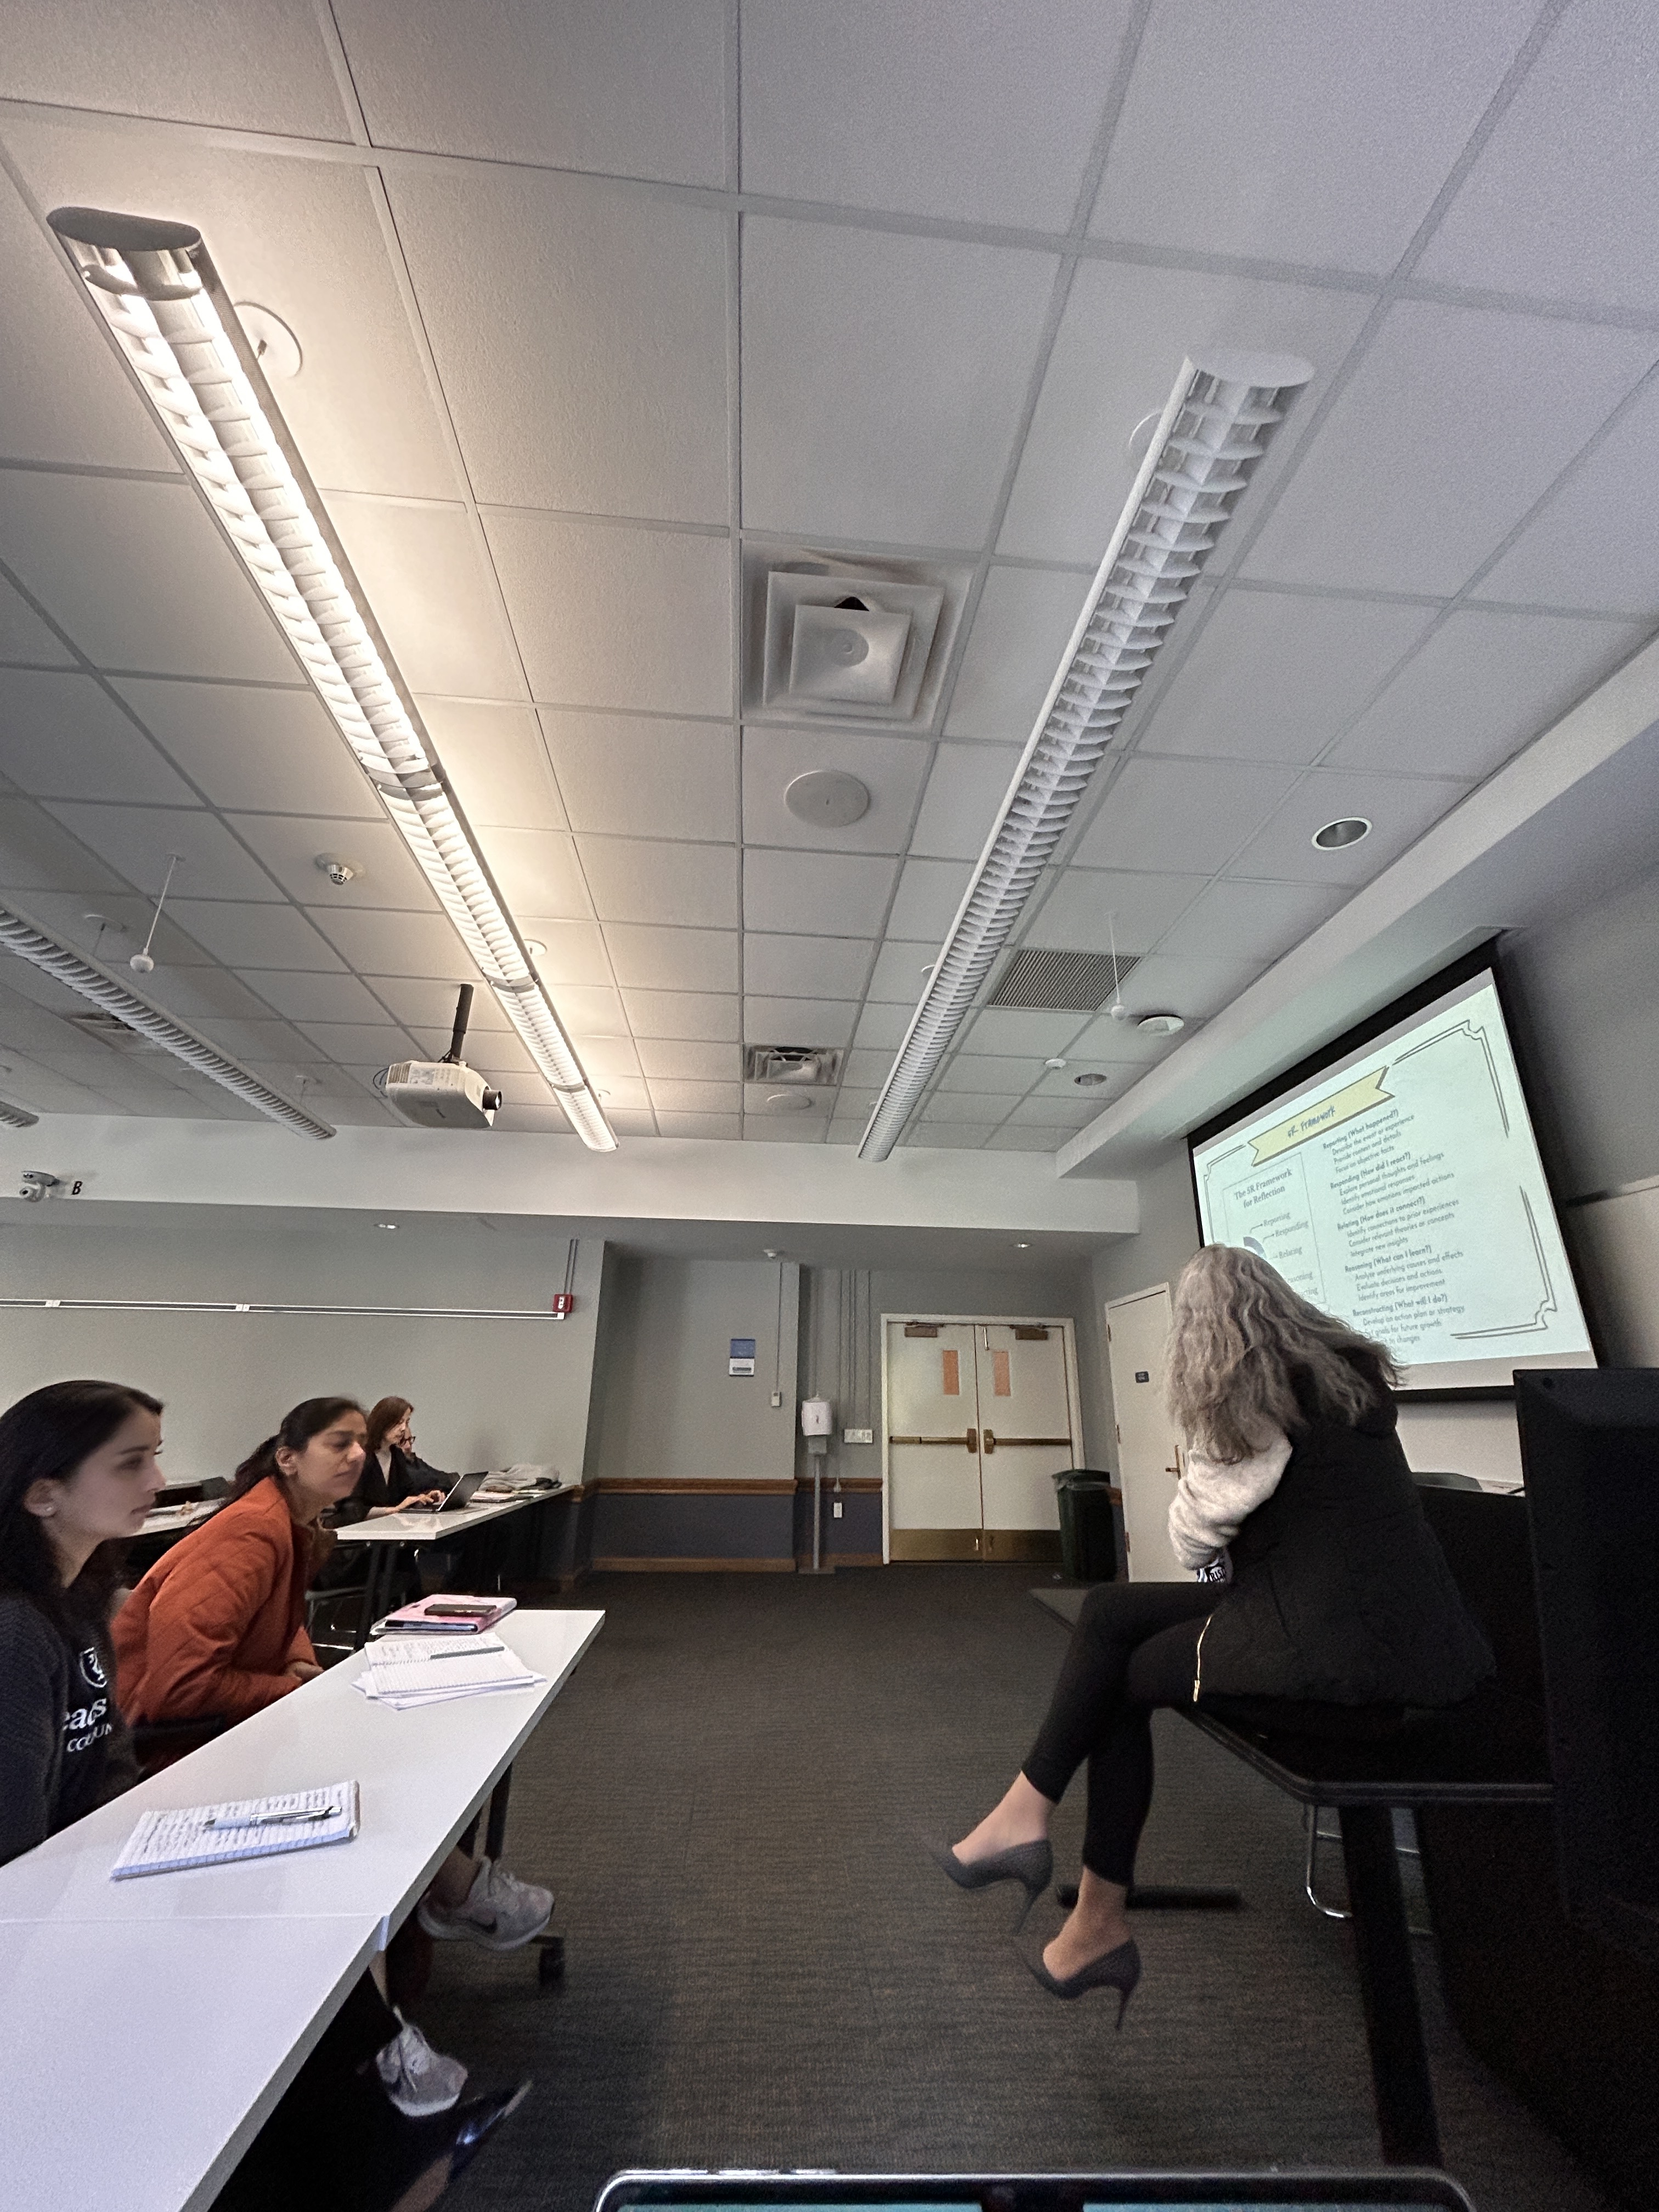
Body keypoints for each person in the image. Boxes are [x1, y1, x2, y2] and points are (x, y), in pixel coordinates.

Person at [930, 1245, 1495, 2020]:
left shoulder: (1260, 1395)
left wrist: (1199, 1443)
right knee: (1108, 1613)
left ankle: (1078, 1898)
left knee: (1121, 1683)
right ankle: (1032, 1832)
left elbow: (1194, 1540)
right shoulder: (1342, 1378)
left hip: (1329, 1654)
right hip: (1392, 1639)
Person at [0, 1379, 525, 2209]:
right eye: (132, 1462)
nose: (157, 1484)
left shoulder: (81, 1597)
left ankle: (384, 2144)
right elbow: (18, 1847)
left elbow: (108, 1766)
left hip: (102, 1856)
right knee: (258, 1938)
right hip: (42, 1908)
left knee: (293, 1909)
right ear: (42, 1491)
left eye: (155, 1459)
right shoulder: (17, 1631)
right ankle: (381, 2152)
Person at [115, 1395, 555, 1950]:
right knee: (381, 1762)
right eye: (337, 1443)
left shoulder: (288, 1523)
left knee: (406, 1748)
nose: (354, 1456)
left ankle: (443, 1900)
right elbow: (177, 1689)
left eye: (360, 1445)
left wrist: (301, 1662)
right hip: (171, 1744)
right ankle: (455, 1897)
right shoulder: (248, 1533)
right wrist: (296, 1688)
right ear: (288, 1458)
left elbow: (281, 1618)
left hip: (225, 1720)